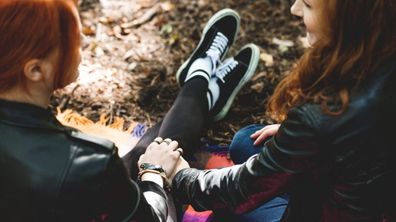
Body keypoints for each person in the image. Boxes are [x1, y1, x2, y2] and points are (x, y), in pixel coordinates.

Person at [0, 1, 260, 221]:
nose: (83, 41)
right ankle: (199, 83)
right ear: (35, 70)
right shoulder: (86, 161)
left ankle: (200, 81)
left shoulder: (86, 159)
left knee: (138, 155)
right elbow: (149, 217)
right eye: (70, 39)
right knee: (155, 159)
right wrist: (153, 173)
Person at [170, 0, 396, 222]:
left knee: (225, 210)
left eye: (308, 4)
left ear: (351, 19)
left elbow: (242, 189)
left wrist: (179, 177)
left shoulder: (325, 113)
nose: (294, 9)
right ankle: (203, 80)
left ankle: (200, 76)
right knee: (245, 142)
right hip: (370, 195)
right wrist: (310, 141)